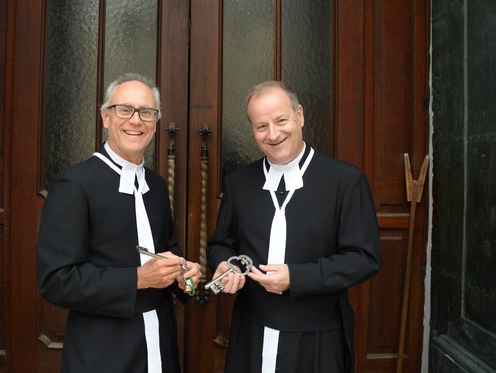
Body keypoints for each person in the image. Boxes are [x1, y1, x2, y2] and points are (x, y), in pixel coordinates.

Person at [206, 81, 381, 373]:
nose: (273, 134)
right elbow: (220, 243)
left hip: (317, 337)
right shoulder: (239, 183)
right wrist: (225, 264)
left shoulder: (345, 181)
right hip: (251, 330)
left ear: (299, 115)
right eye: (261, 126)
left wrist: (297, 277)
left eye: (281, 120)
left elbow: (364, 258)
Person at [37, 73, 201, 372]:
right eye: (124, 109)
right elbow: (56, 281)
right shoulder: (75, 185)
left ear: (156, 121)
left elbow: (166, 249)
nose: (136, 121)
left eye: (147, 112)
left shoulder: (157, 185)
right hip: (102, 350)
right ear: (105, 117)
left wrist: (185, 275)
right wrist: (138, 278)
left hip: (159, 341)